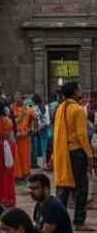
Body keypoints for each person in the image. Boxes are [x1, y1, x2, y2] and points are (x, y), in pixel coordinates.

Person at [52, 81, 93, 229]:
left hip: (63, 152)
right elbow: (82, 135)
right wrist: (89, 155)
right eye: (80, 89)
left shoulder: (61, 107)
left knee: (64, 188)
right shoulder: (77, 109)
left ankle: (56, 221)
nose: (81, 92)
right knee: (82, 188)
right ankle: (79, 221)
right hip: (77, 152)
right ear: (75, 92)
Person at [0, 98, 17, 208]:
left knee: (2, 175)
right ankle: (3, 197)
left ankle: (3, 197)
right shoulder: (5, 121)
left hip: (1, 150)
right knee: (2, 175)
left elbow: (4, 136)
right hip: (1, 149)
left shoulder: (3, 121)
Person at [12, 92, 35, 182]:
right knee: (16, 157)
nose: (17, 99)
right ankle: (17, 175)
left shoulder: (29, 110)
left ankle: (25, 174)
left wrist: (29, 131)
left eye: (19, 97)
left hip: (25, 137)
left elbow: (34, 123)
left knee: (25, 157)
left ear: (23, 98)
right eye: (15, 97)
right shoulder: (11, 109)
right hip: (15, 137)